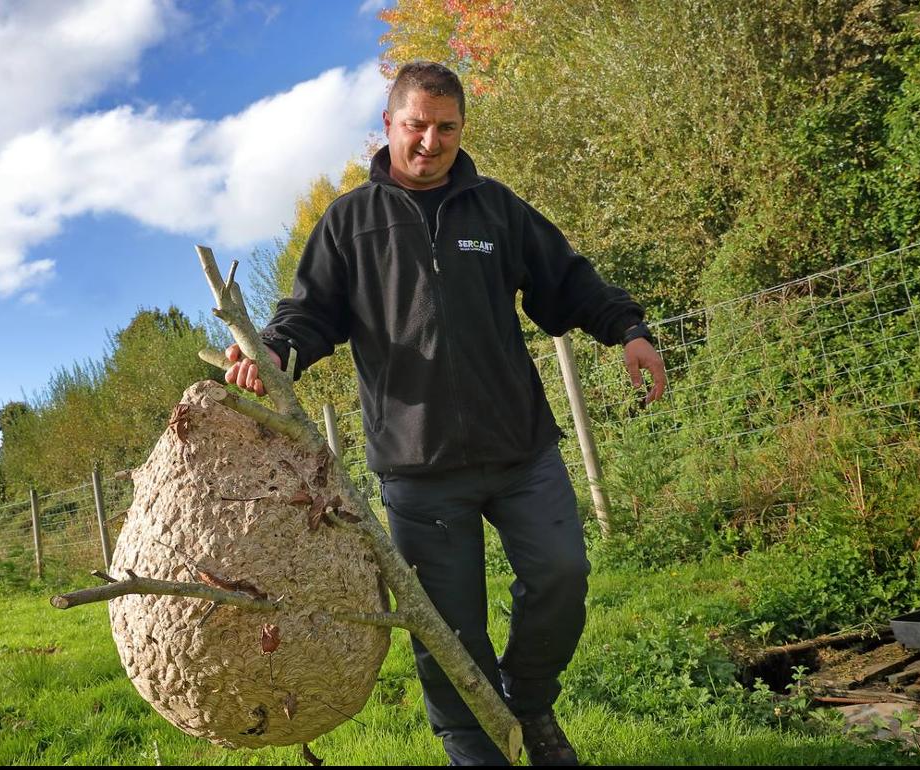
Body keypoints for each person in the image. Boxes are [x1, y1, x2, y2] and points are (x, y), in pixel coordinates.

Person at [224, 61, 666, 766]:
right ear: (388, 124)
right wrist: (274, 350)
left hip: (520, 448)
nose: (430, 142)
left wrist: (630, 331)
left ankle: (529, 701)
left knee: (562, 574)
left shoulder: (495, 208)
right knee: (449, 630)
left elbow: (567, 279)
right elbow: (308, 314)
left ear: (461, 128)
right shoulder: (350, 223)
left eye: (446, 128)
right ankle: (475, 752)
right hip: (418, 465)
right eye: (416, 126)